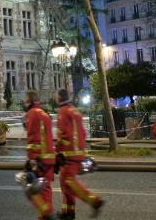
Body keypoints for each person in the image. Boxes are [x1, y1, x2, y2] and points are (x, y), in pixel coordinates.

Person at [54, 88, 104, 219]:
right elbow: (82, 133)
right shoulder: (76, 111)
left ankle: (94, 201)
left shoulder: (62, 112)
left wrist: (57, 151)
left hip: (69, 154)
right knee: (66, 183)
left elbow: (63, 134)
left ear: (58, 99)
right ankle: (68, 213)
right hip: (78, 153)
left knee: (68, 182)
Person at [23, 90, 56, 220]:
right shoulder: (44, 113)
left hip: (39, 159)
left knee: (29, 187)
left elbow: (33, 138)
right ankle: (44, 215)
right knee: (46, 189)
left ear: (28, 101)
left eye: (26, 101)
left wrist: (32, 158)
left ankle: (45, 213)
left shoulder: (31, 113)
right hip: (49, 159)